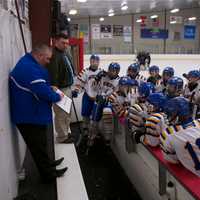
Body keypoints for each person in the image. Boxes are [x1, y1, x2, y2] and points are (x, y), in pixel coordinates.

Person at [9, 44, 68, 182]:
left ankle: (49, 165)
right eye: (47, 59)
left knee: (41, 144)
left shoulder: (29, 63)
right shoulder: (29, 68)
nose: (48, 62)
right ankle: (48, 175)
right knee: (38, 148)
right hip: (28, 117)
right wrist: (57, 96)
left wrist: (49, 87)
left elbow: (39, 86)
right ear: (40, 56)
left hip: (31, 113)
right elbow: (41, 91)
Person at [161, 97, 200, 177]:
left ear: (178, 115)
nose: (169, 116)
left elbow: (172, 160)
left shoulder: (168, 134)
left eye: (171, 113)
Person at [47, 33, 74, 143]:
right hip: (60, 89)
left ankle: (65, 133)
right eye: (63, 43)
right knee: (61, 114)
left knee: (67, 113)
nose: (65, 45)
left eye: (67, 43)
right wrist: (56, 91)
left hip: (67, 87)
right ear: (55, 42)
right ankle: (62, 137)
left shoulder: (64, 53)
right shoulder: (54, 55)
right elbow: (53, 74)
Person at [72, 54, 102, 135]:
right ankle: (85, 128)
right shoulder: (85, 72)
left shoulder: (102, 72)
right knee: (85, 113)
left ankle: (96, 130)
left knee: (96, 114)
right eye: (93, 61)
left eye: (96, 61)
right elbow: (79, 84)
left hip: (97, 97)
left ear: (99, 62)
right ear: (90, 61)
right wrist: (76, 91)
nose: (95, 63)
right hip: (87, 96)